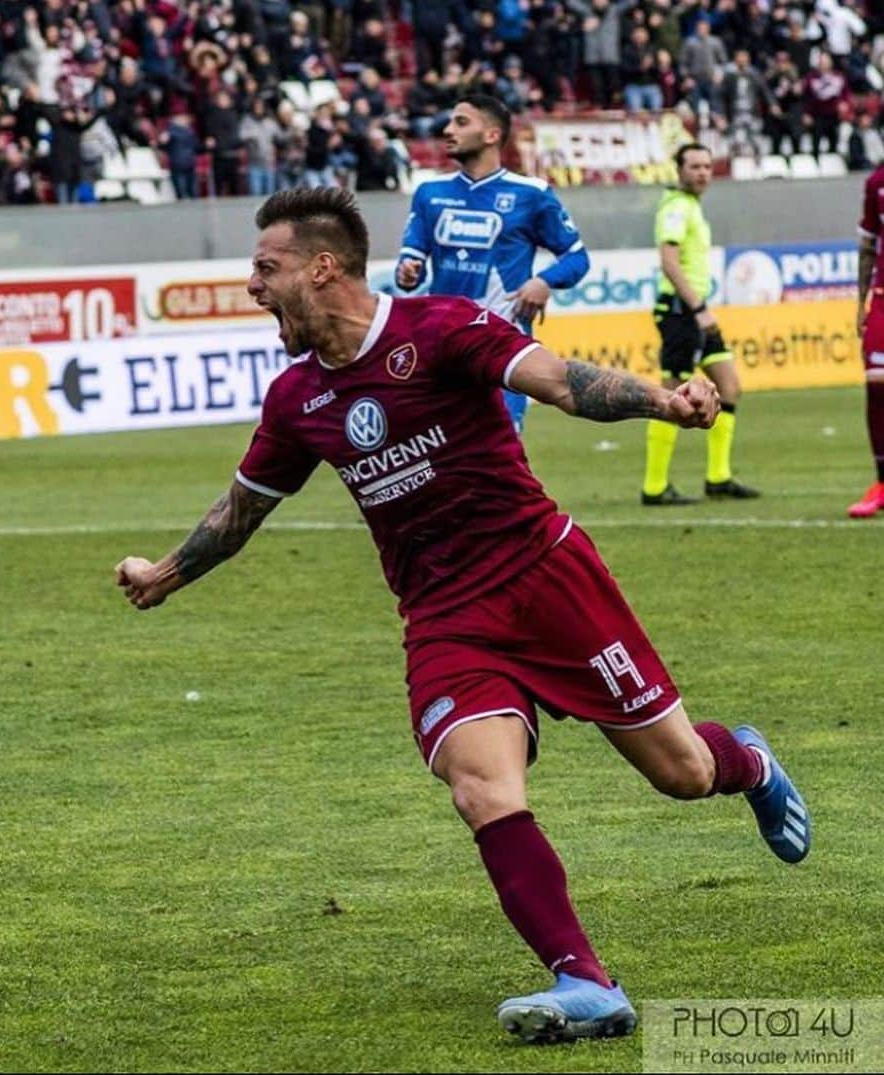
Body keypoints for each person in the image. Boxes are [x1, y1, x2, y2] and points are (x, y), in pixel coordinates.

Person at [115, 188, 810, 1044]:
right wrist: (164, 575)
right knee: (481, 786)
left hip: (548, 580)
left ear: (322, 267)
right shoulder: (296, 398)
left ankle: (747, 760)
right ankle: (586, 980)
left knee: (683, 774)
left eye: (266, 268)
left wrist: (663, 401)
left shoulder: (439, 328)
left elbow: (557, 380)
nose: (253, 286)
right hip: (445, 618)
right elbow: (241, 509)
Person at [394, 94, 589, 432]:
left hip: (502, 347)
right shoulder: (429, 192)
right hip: (441, 348)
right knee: (438, 459)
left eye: (461, 122)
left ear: (492, 135)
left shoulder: (531, 194)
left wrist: (543, 282)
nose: (448, 130)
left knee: (500, 459)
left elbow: (577, 258)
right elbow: (411, 263)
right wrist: (408, 272)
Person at [642, 143, 759, 505]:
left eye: (708, 166)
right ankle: (654, 486)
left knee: (729, 385)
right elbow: (670, 263)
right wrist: (699, 309)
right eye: (694, 166)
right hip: (681, 312)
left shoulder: (692, 206)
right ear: (679, 170)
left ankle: (718, 478)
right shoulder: (676, 207)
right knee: (670, 395)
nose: (703, 173)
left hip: (694, 310)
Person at [850, 161, 884, 517]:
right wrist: (861, 302)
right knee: (876, 385)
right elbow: (868, 246)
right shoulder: (877, 182)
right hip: (883, 297)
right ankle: (881, 482)